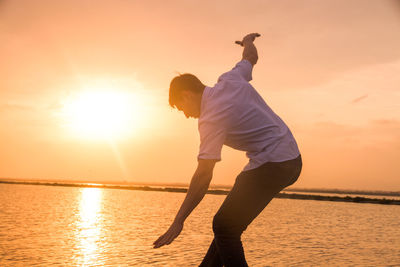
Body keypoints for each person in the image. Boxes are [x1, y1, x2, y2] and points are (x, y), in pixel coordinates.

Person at [153, 33, 302, 267]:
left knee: (223, 225)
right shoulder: (230, 78)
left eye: (181, 107)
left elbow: (203, 175)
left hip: (273, 163)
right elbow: (250, 57)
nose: (186, 114)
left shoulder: (210, 117)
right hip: (290, 160)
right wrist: (248, 42)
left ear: (187, 94)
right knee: (228, 227)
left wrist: (178, 220)